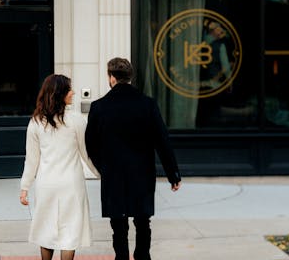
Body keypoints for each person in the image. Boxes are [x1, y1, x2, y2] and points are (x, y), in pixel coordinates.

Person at [85, 57, 181, 260]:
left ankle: (122, 256)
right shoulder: (148, 105)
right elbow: (162, 140)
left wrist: (103, 167)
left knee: (118, 225)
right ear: (130, 77)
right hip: (142, 173)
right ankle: (142, 256)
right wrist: (173, 173)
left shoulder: (99, 107)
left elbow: (90, 144)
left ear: (111, 78)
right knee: (143, 222)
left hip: (113, 174)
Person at [20, 74, 100, 260]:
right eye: (69, 89)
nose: (73, 93)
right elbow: (86, 155)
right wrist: (102, 175)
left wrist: (24, 187)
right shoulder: (77, 121)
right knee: (70, 233)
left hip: (46, 184)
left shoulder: (36, 122)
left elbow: (31, 160)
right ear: (60, 93)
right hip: (71, 185)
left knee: (46, 232)